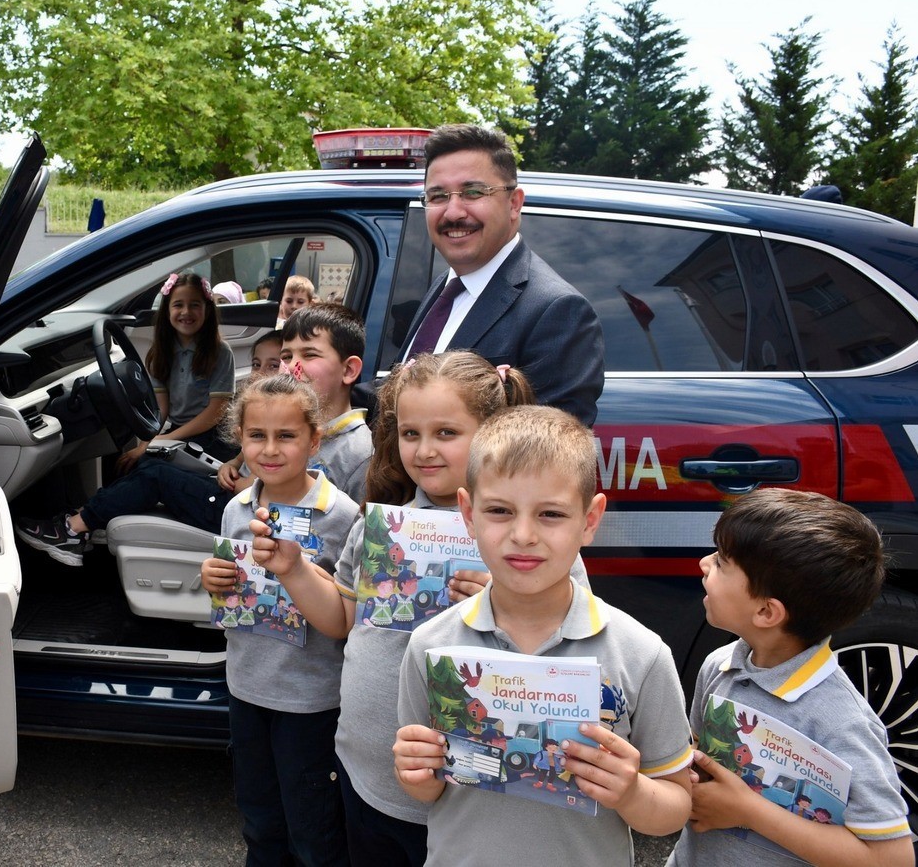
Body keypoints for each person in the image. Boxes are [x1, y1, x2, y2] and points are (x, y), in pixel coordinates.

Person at [261, 352, 560, 865]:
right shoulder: (381, 525)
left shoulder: (532, 539)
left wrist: (511, 600)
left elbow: (566, 658)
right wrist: (292, 570)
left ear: (494, 432)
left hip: (472, 797)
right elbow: (342, 621)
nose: (424, 450)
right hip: (368, 774)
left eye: (447, 433)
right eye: (410, 433)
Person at [394, 405, 694, 865]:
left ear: (590, 520)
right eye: (499, 511)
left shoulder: (640, 654)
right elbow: (429, 790)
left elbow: (674, 808)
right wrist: (415, 774)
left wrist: (632, 792)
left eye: (551, 514)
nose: (523, 534)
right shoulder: (430, 646)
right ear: (468, 514)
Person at [667, 489, 912, 867]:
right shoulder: (720, 666)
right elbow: (699, 760)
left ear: (767, 612)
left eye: (722, 562)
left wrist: (749, 811)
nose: (704, 563)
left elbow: (892, 858)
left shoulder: (841, 721)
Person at [199, 374, 358, 867]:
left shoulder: (341, 516)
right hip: (247, 688)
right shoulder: (237, 509)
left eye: (286, 435)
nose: (270, 449)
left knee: (313, 830)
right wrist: (212, 578)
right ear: (240, 438)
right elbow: (233, 595)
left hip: (310, 700)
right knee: (260, 820)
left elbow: (348, 613)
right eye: (256, 436)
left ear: (314, 440)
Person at [15, 271, 234, 561]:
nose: (186, 312)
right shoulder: (161, 353)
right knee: (138, 462)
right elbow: (162, 410)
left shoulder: (219, 352)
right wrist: (146, 444)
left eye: (195, 304)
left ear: (207, 309)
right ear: (166, 310)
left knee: (152, 469)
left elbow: (214, 414)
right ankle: (92, 517)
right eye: (178, 305)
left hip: (213, 440)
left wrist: (163, 441)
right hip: (182, 432)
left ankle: (73, 528)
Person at [400, 123, 604, 425]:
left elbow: (548, 448)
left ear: (514, 204)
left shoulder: (558, 312)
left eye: (473, 192)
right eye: (438, 196)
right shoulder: (446, 287)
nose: (453, 212)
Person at [275, 303, 371, 503]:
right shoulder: (274, 429)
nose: (292, 366)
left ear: (349, 370)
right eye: (287, 357)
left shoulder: (361, 455)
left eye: (309, 355)